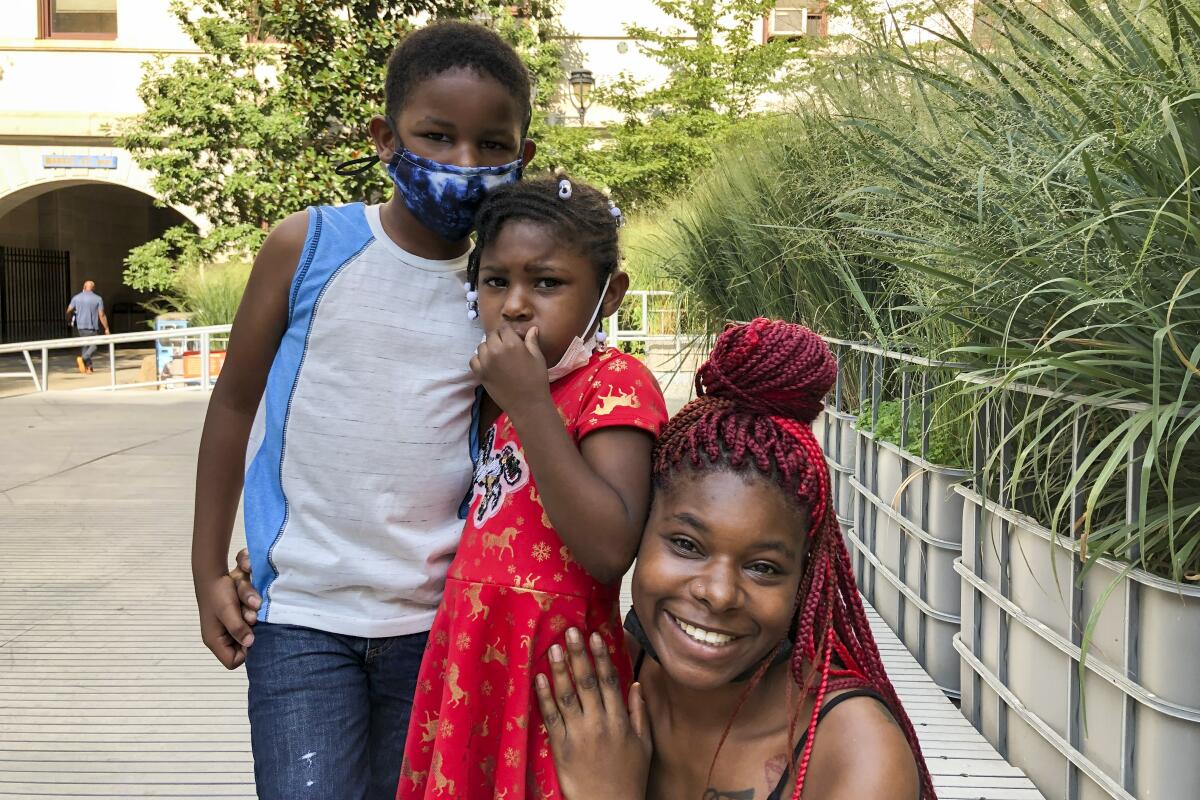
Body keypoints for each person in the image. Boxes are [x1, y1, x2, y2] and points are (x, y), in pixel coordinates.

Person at [189, 21, 537, 800]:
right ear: (386, 137)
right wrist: (205, 567)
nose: (463, 163)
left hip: (442, 625)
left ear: (525, 156)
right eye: (436, 136)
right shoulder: (307, 245)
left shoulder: (509, 289)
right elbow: (234, 402)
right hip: (301, 619)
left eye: (492, 144)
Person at [533, 319, 937, 800]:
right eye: (686, 545)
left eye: (763, 567)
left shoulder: (855, 753)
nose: (719, 593)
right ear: (641, 532)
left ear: (805, 579)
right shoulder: (605, 676)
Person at [395, 176, 668, 800]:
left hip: (556, 665)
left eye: (547, 283)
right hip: (471, 644)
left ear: (610, 294)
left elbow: (608, 547)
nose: (516, 304)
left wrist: (528, 402)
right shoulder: (489, 389)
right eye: (496, 281)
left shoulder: (614, 382)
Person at [66, 280, 109, 373]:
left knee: (85, 346)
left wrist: (70, 321)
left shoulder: (76, 298)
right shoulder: (98, 298)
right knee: (94, 346)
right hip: (92, 326)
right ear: (93, 288)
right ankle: (84, 358)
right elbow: (101, 315)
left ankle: (88, 368)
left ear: (84, 287)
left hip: (81, 327)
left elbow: (69, 310)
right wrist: (106, 328)